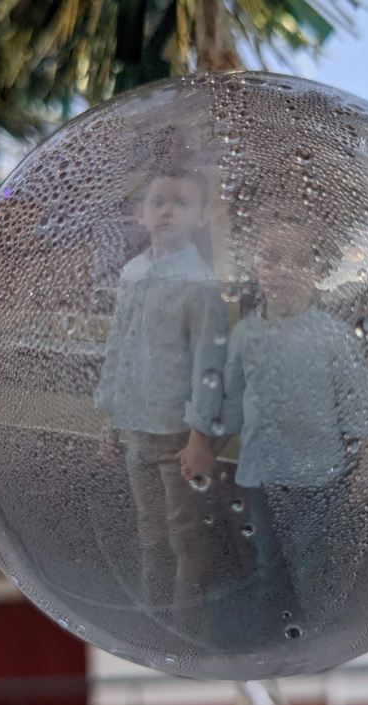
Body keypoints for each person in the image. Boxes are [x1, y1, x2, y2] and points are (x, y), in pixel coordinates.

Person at [186, 215, 368, 639]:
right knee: (268, 562)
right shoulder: (245, 335)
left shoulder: (334, 336)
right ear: (256, 268)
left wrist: (366, 467)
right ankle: (275, 638)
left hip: (319, 478)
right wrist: (204, 447)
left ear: (317, 271)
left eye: (300, 261)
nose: (285, 269)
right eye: (272, 258)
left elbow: (356, 405)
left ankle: (318, 635)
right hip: (260, 476)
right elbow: (232, 402)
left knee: (312, 564)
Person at [93, 165, 228, 625]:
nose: (168, 211)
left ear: (202, 217)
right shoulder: (133, 273)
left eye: (182, 203)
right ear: (141, 214)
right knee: (149, 529)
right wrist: (110, 414)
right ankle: (155, 620)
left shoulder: (199, 284)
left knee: (184, 533)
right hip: (137, 429)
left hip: (176, 437)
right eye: (158, 202)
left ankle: (188, 625)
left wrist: (199, 437)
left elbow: (209, 367)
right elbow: (120, 345)